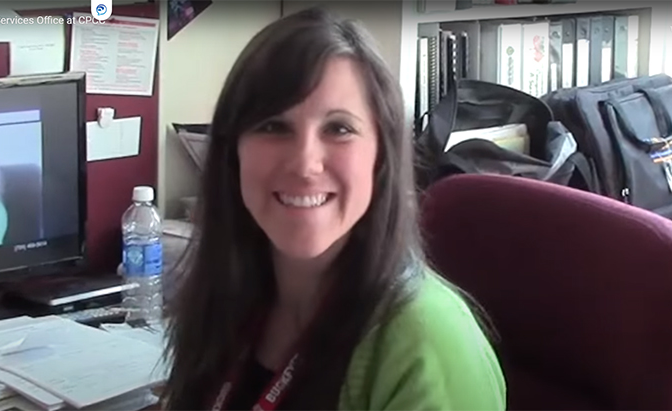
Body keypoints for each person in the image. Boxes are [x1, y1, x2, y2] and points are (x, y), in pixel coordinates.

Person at [164, 8, 506, 410]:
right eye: (274, 126)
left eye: (339, 128)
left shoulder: (428, 343)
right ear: (232, 152)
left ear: (381, 156)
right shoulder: (224, 298)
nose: (305, 164)